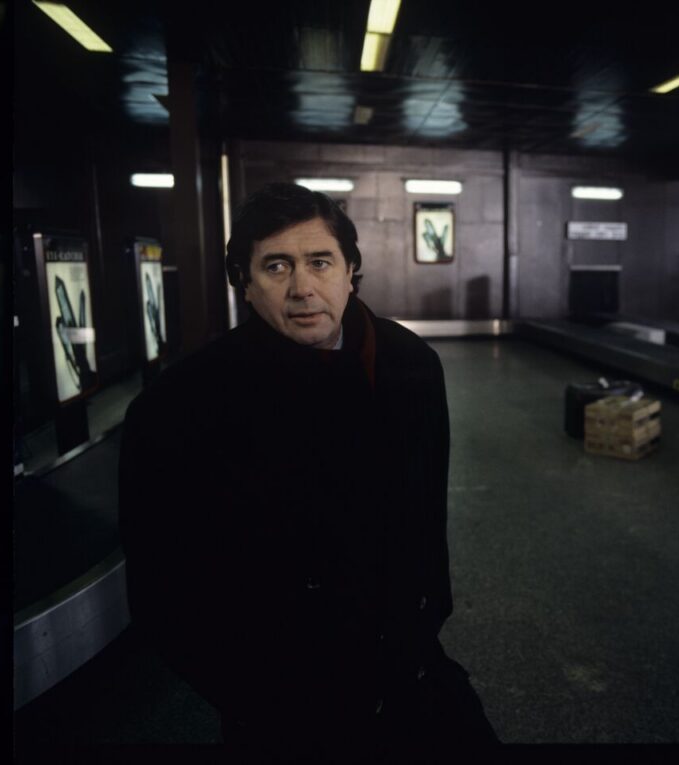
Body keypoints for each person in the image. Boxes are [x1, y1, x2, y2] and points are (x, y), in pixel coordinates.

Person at [118, 182, 498, 759]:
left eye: (320, 262)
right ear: (244, 284)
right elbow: (161, 593)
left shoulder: (412, 366)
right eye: (276, 266)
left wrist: (423, 624)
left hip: (411, 671)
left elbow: (425, 515)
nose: (303, 287)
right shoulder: (180, 408)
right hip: (283, 704)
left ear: (351, 271)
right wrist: (253, 698)